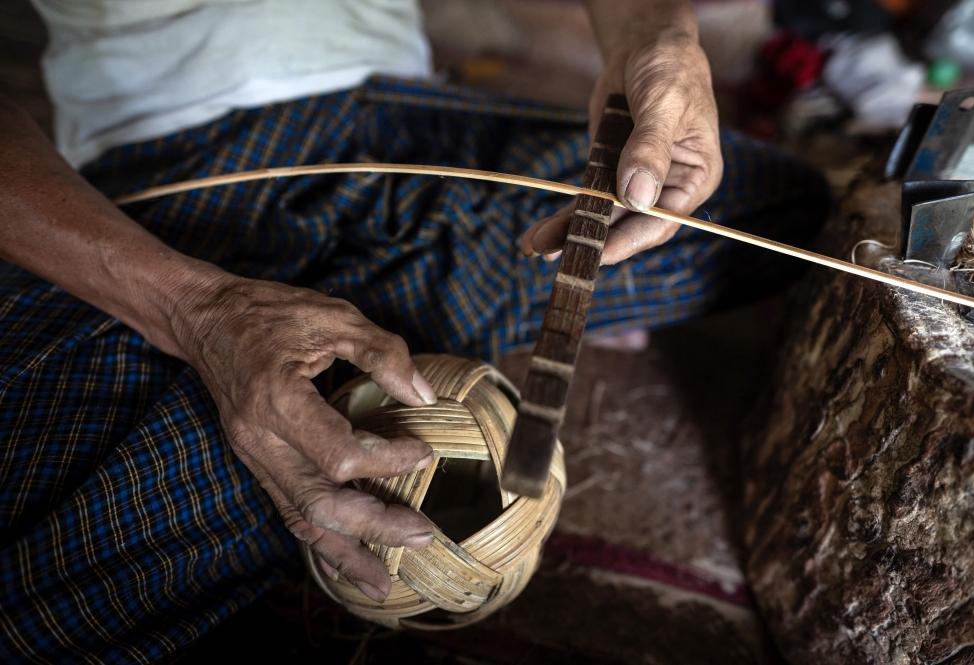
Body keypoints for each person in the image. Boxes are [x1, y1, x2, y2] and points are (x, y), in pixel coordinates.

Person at [0, 0, 829, 661]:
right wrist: (195, 308)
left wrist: (658, 33)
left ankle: (362, 338)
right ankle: (373, 322)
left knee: (761, 204)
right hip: (186, 159)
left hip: (410, 127)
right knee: (33, 594)